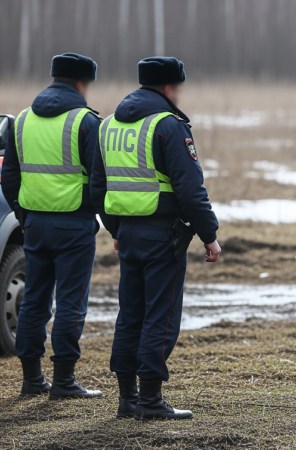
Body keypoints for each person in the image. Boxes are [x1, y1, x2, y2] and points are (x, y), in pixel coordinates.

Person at [91, 57, 221, 420]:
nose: (180, 94)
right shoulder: (168, 126)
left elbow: (97, 187)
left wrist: (116, 229)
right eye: (178, 87)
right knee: (160, 316)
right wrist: (210, 236)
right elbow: (190, 189)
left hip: (128, 235)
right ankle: (150, 400)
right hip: (163, 236)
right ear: (169, 87)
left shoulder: (109, 126)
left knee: (130, 313)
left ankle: (126, 399)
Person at [1, 53, 103, 399]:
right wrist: (95, 213)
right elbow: (99, 179)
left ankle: (31, 380)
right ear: (82, 82)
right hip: (73, 225)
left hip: (34, 225)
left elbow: (9, 176)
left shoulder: (23, 119)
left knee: (34, 303)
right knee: (71, 302)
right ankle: (64, 381)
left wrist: (24, 215)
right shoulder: (85, 122)